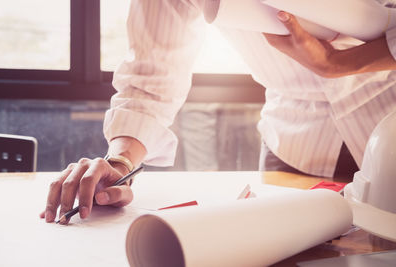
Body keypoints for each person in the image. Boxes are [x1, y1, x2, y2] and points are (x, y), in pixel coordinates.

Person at [40, 0, 396, 224]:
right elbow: (151, 78)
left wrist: (338, 63)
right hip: (292, 146)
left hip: (389, 129)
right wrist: (119, 163)